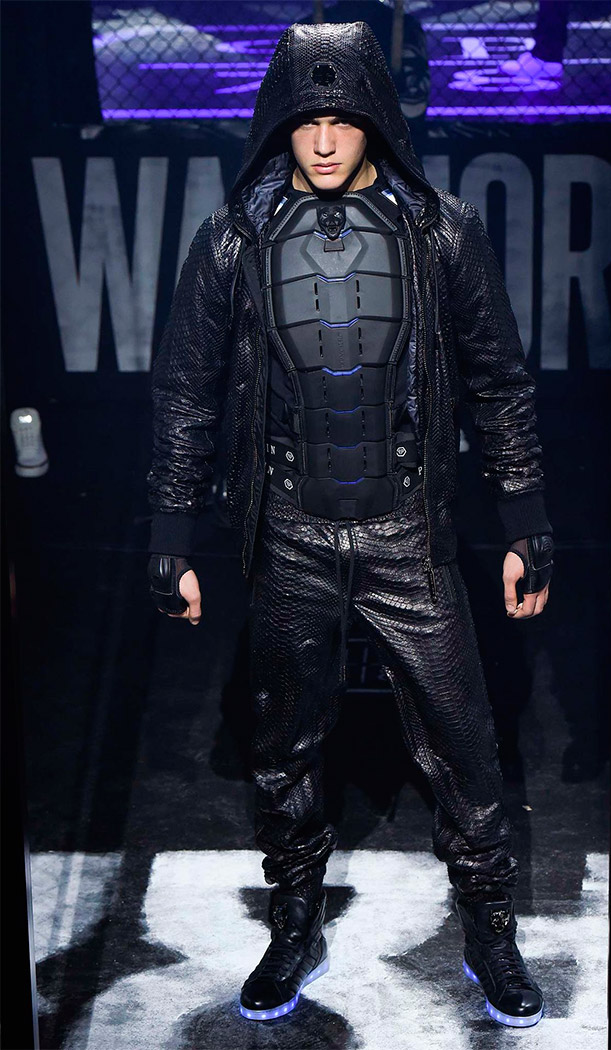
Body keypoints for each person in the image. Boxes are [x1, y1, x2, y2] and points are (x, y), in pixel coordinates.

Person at [145, 20, 554, 1030]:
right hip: (289, 531)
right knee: (282, 744)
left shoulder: (441, 232)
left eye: (342, 118)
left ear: (373, 118)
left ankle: (489, 931)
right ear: (278, 125)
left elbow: (499, 383)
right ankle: (293, 921)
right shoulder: (234, 239)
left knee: (464, 742)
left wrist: (524, 519)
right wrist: (172, 537)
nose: (324, 141)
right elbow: (188, 393)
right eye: (306, 120)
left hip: (407, 529)